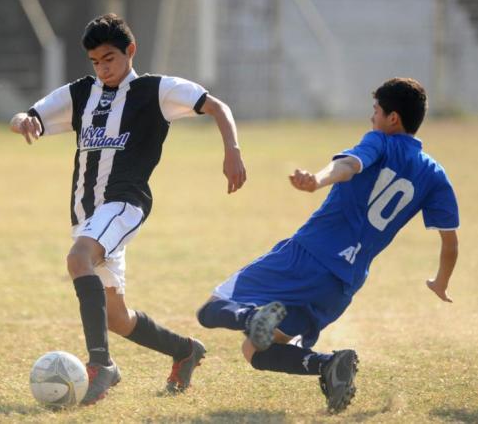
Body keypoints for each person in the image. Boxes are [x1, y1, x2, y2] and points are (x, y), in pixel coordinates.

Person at [10, 13, 246, 405]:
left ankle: (101, 366)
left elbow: (217, 106)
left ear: (130, 51)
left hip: (125, 203)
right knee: (117, 318)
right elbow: (31, 114)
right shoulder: (81, 93)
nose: (103, 69)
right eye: (95, 62)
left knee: (78, 259)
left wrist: (232, 151)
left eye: (110, 59)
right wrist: (22, 121)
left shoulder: (156, 90)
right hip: (86, 213)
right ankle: (185, 350)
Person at [196, 78, 459, 413]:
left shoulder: (379, 141)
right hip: (341, 286)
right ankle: (328, 366)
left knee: (211, 310)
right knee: (255, 350)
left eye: (376, 111)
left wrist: (318, 180)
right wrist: (440, 282)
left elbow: (349, 166)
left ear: (393, 119)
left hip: (307, 256)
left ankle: (253, 315)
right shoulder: (435, 175)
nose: (371, 118)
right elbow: (449, 241)